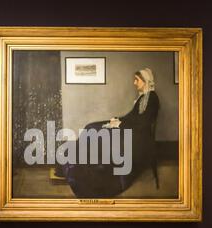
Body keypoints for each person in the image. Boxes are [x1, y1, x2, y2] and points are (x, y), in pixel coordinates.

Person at [62, 68, 160, 198]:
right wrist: (117, 120)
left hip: (138, 137)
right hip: (131, 129)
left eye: (137, 80)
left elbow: (143, 122)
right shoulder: (143, 97)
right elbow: (132, 117)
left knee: (98, 132)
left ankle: (91, 167)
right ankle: (82, 162)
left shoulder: (152, 98)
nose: (134, 83)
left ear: (145, 81)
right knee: (91, 127)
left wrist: (120, 124)